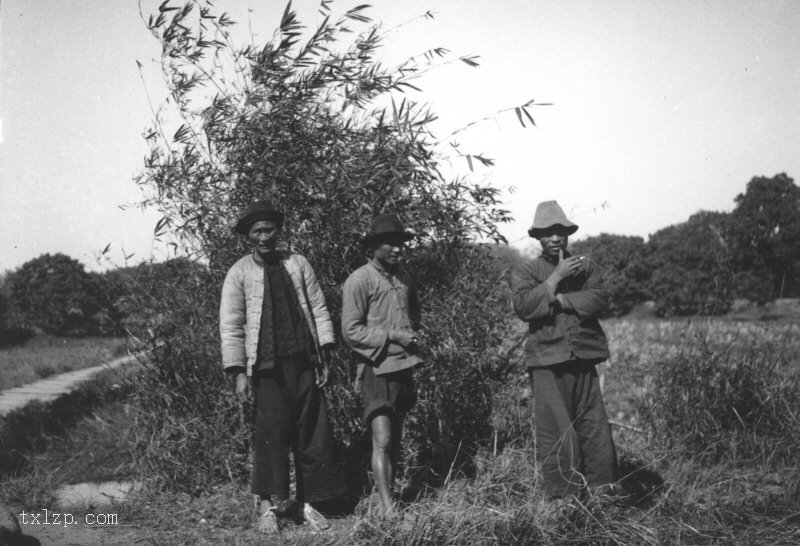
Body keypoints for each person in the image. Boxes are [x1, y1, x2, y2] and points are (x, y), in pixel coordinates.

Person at [219, 200, 346, 534]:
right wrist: (238, 373)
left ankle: (308, 504)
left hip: (305, 362)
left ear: (278, 231)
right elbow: (231, 326)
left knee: (313, 434)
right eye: (257, 231)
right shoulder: (239, 273)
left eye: (269, 229)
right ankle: (268, 506)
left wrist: (324, 355)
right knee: (270, 437)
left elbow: (319, 308)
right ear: (248, 236)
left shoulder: (297, 263)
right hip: (265, 370)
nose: (264, 236)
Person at [511, 200, 619, 500]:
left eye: (560, 231)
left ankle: (604, 494)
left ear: (567, 233)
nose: (555, 238)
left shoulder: (586, 266)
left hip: (583, 356)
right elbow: (523, 307)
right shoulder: (527, 270)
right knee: (556, 431)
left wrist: (558, 300)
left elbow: (599, 299)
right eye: (547, 233)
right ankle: (564, 502)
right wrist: (556, 279)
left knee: (594, 427)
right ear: (538, 237)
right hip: (547, 360)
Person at [341, 213, 422, 517]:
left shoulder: (404, 277)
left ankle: (392, 499)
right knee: (383, 438)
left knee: (395, 437)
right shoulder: (359, 280)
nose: (398, 249)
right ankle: (388, 507)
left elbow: (414, 313)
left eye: (401, 243)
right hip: (375, 368)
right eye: (390, 243)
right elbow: (351, 331)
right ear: (374, 247)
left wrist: (410, 333)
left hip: (403, 366)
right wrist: (392, 335)